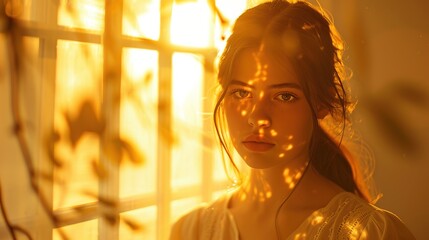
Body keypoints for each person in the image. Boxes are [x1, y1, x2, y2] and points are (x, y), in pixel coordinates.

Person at [170, 0, 415, 239]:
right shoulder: (191, 231)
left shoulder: (371, 233)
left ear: (321, 103)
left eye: (284, 96)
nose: (257, 117)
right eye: (242, 93)